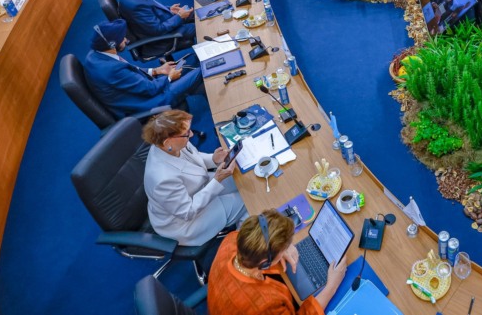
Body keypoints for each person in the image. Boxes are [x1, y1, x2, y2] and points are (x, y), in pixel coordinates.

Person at [207, 209, 347, 315]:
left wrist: (279, 248)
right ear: (264, 262)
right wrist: (331, 287)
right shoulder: (265, 304)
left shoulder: (231, 240)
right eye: (283, 249)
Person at [142, 110, 247, 247]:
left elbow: (193, 157)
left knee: (244, 181)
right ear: (168, 142)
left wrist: (213, 159)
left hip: (198, 189)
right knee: (247, 201)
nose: (191, 135)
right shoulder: (162, 179)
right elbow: (188, 212)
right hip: (186, 223)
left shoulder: (167, 144)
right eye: (187, 134)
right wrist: (217, 180)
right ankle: (240, 244)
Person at [83, 19, 204, 119]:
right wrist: (169, 77)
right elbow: (151, 89)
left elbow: (131, 70)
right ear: (112, 45)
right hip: (149, 103)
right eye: (123, 38)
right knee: (201, 70)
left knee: (189, 63)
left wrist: (157, 70)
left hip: (140, 92)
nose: (126, 40)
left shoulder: (95, 54)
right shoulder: (111, 69)